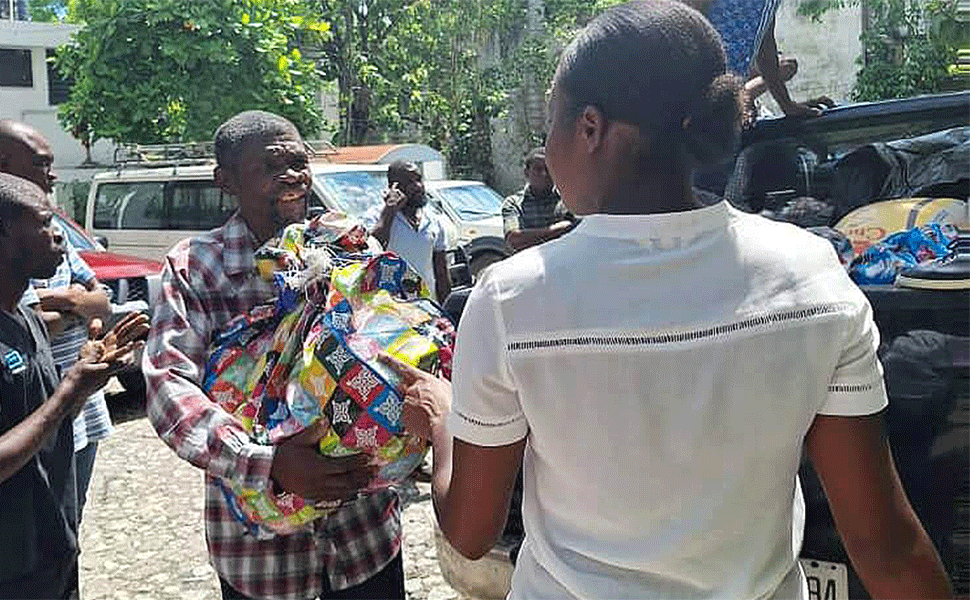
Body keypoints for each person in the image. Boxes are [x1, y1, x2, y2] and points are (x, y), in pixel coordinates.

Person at [385, 2, 953, 598]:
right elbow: (886, 545)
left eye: (547, 128)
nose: (546, 153)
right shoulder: (811, 278)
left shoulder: (512, 299)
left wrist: (443, 416)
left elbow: (471, 533)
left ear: (589, 128)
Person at [143, 110, 406, 600]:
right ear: (226, 182)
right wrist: (265, 463)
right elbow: (166, 387)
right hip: (263, 565)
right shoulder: (198, 267)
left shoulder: (345, 246)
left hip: (365, 540)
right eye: (271, 166)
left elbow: (398, 337)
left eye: (299, 162)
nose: (292, 176)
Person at [0, 172, 147, 599]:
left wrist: (84, 380)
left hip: (54, 552)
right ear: (0, 232)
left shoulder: (24, 316)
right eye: (45, 224)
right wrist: (71, 388)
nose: (59, 238)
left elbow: (39, 418)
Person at [0, 119, 114, 521]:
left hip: (75, 413)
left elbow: (100, 302)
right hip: (23, 426)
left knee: (69, 522)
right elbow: (15, 318)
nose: (52, 174)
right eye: (41, 163)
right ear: (2, 162)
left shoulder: (49, 232)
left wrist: (64, 302)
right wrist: (71, 302)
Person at [684, 0, 833, 118]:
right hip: (692, 94)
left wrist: (787, 105)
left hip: (722, 103)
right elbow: (687, 15)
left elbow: (765, 42)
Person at [369, 161, 451, 302]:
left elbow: (441, 274)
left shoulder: (434, 221)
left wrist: (449, 311)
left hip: (426, 308)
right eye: (410, 182)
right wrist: (390, 210)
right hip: (389, 309)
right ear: (394, 187)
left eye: (419, 179)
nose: (418, 186)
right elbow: (371, 249)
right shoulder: (377, 216)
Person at [501, 147, 575, 252]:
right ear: (526, 173)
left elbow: (576, 234)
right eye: (538, 169)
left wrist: (530, 236)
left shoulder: (566, 200)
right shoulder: (514, 203)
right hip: (527, 264)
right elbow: (514, 240)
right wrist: (557, 229)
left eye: (548, 169)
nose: (544, 174)